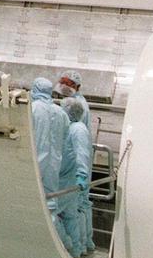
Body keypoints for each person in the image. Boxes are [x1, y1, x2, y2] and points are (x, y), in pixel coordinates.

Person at [31, 77, 70, 234]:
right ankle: (60, 243)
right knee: (50, 204)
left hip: (35, 162)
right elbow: (66, 136)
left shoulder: (33, 108)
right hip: (54, 164)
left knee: (32, 201)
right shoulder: (61, 113)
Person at [63, 97, 95, 256]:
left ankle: (77, 247)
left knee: (71, 214)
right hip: (69, 178)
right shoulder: (73, 127)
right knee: (71, 216)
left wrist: (81, 175)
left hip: (70, 180)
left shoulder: (77, 129)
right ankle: (78, 248)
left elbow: (82, 154)